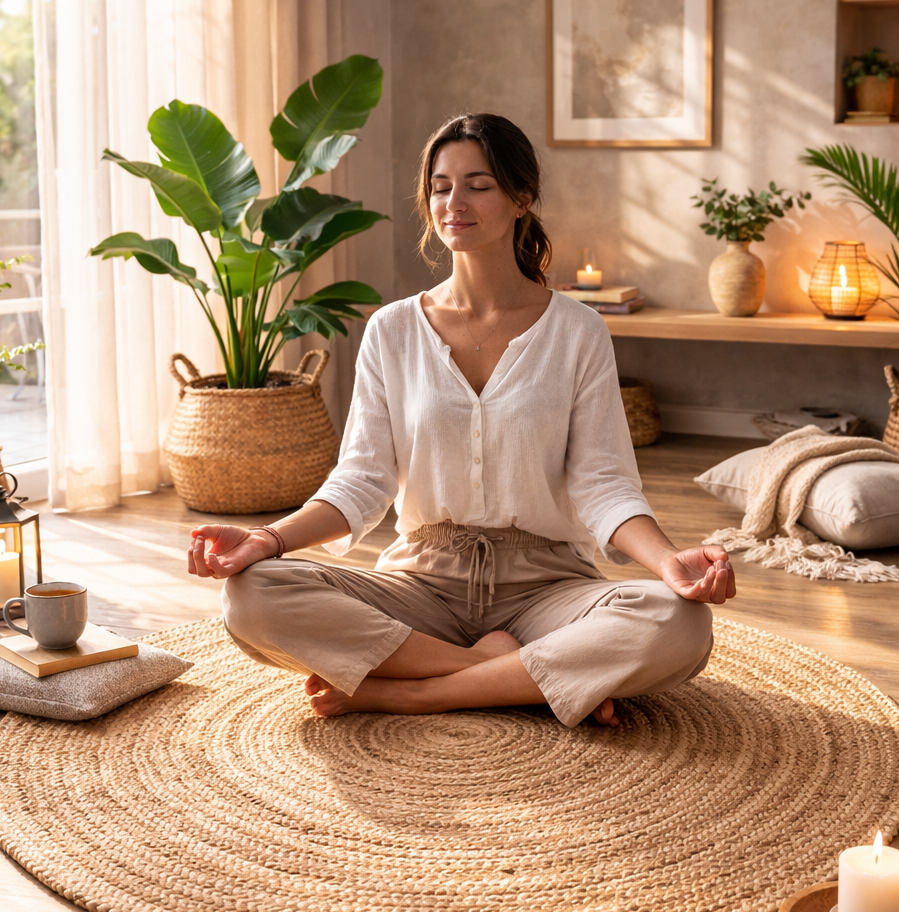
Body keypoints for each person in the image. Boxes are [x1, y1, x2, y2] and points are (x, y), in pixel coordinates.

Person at [187, 111, 735, 726]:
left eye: (479, 184)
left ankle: (413, 691)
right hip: (422, 583)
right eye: (441, 186)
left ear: (521, 197)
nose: (455, 201)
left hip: (549, 584)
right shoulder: (392, 330)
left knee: (679, 621)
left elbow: (603, 483)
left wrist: (666, 562)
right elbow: (361, 480)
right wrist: (266, 540)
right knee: (253, 596)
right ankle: (513, 675)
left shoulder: (578, 331)